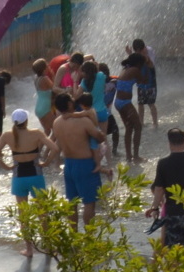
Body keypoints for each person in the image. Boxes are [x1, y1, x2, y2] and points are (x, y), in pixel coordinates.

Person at [50, 89, 108, 226]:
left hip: (68, 165)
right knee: (89, 203)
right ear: (70, 104)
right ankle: (89, 238)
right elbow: (99, 138)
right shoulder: (83, 121)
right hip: (85, 165)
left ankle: (73, 236)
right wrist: (101, 133)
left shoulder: (57, 122)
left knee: (72, 202)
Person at [6, 108, 49, 260]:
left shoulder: (8, 135)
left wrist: (7, 167)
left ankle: (29, 249)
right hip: (36, 175)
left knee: (23, 215)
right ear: (27, 121)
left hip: (19, 178)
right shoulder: (36, 133)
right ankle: (49, 246)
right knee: (43, 212)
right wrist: (46, 162)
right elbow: (55, 147)